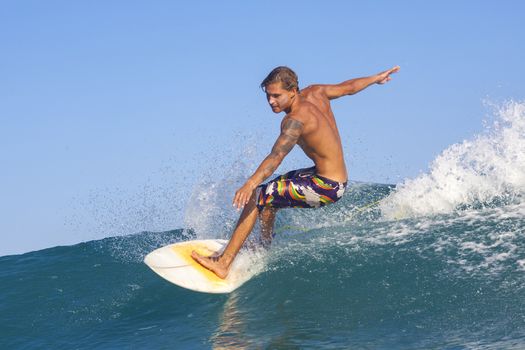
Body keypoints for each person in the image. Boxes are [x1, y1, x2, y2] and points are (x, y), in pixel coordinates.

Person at [192, 65, 400, 278]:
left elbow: (276, 156)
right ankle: (264, 246)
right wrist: (375, 78)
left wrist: (249, 184)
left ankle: (224, 263)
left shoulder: (294, 121)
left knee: (258, 195)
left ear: (292, 91)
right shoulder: (316, 91)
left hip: (327, 187)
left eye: (276, 96)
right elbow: (348, 87)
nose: (271, 101)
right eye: (268, 96)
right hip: (326, 176)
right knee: (271, 193)